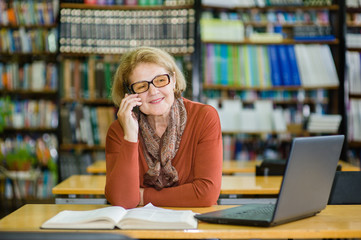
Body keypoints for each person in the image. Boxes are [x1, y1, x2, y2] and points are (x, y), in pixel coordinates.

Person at [105, 46, 222, 209]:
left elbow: (205, 194)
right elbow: (123, 200)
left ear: (173, 80)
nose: (153, 92)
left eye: (160, 80)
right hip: (141, 227)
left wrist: (143, 196)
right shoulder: (119, 131)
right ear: (129, 94)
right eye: (141, 86)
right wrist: (130, 136)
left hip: (196, 224)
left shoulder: (204, 117)